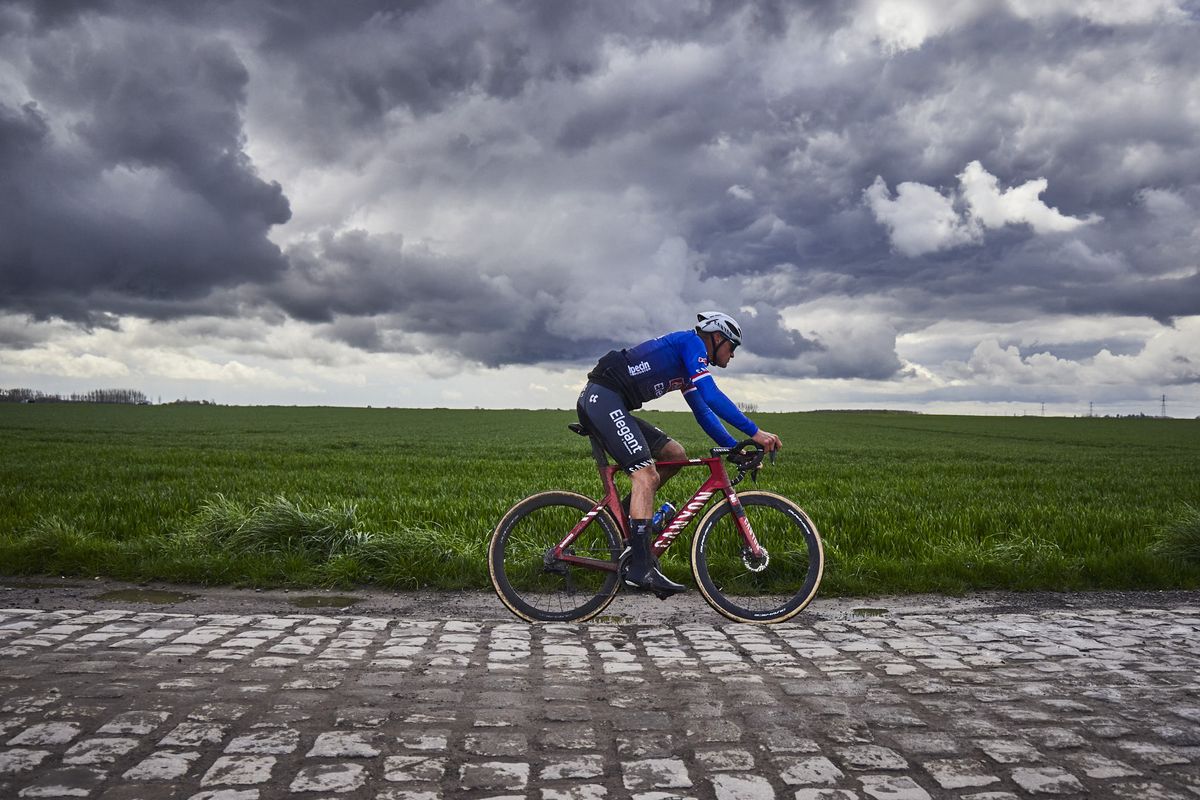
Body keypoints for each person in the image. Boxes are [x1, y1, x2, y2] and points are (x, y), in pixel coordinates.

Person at [576, 311, 783, 596]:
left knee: (674, 455)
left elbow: (703, 412)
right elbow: (711, 395)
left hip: (610, 402)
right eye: (732, 347)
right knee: (645, 476)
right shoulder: (692, 344)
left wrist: (735, 448)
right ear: (718, 338)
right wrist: (755, 432)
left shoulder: (688, 365)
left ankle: (625, 518)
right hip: (602, 399)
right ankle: (641, 568)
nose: (732, 355)